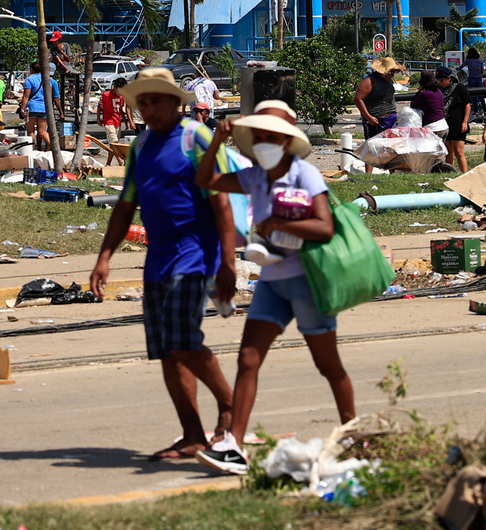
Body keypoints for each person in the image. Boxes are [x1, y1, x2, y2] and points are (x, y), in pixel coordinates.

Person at [192, 100, 353, 474]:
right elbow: (205, 180)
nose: (264, 141)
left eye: (272, 136)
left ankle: (351, 432)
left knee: (328, 364)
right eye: (258, 135)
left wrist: (275, 224)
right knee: (248, 358)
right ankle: (233, 443)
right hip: (272, 284)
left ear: (286, 140)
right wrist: (217, 141)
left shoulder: (304, 174)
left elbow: (324, 227)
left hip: (306, 282)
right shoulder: (252, 177)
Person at [88, 68, 236, 463]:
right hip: (158, 259)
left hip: (196, 253)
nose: (149, 109)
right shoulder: (140, 147)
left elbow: (221, 200)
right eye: (143, 102)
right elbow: (125, 205)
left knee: (182, 337)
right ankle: (191, 434)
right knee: (168, 352)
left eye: (156, 100)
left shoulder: (196, 137)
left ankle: (229, 403)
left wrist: (229, 261)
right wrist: (104, 258)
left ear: (175, 102)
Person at [353, 57, 402, 140]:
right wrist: (369, 117)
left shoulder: (389, 81)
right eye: (391, 71)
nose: (393, 74)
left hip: (391, 120)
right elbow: (358, 100)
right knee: (376, 148)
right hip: (376, 122)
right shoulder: (369, 82)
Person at [438, 66, 471, 173]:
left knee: (459, 151)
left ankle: (465, 173)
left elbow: (467, 105)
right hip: (446, 124)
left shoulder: (459, 88)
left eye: (442, 80)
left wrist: (465, 121)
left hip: (458, 123)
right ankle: (451, 173)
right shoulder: (440, 90)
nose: (440, 82)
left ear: (449, 78)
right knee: (448, 151)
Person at [19, 65, 60, 150]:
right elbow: (49, 95)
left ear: (31, 69)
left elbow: (26, 96)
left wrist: (22, 108)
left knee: (30, 131)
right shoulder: (47, 80)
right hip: (44, 108)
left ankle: (33, 150)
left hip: (32, 107)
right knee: (42, 131)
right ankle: (53, 146)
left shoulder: (30, 79)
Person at [409, 68, 446, 134]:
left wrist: (419, 91)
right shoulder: (439, 91)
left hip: (432, 127)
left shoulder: (424, 94)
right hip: (443, 125)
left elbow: (413, 104)